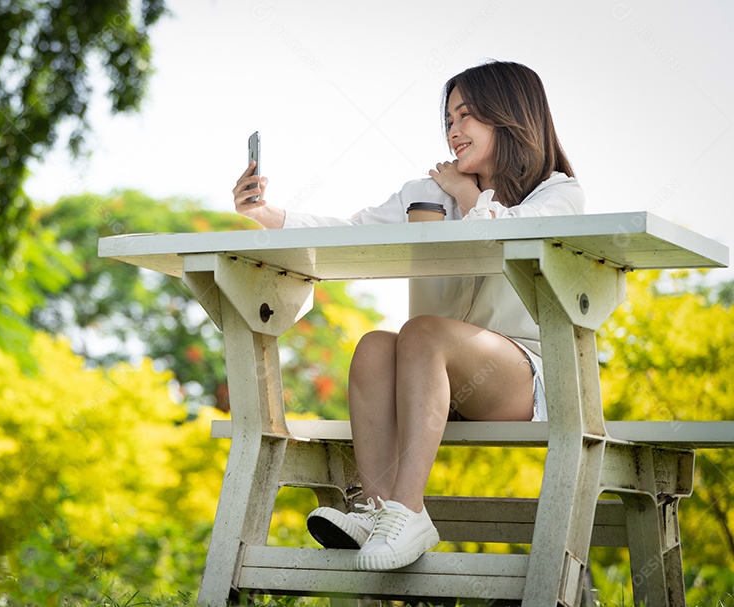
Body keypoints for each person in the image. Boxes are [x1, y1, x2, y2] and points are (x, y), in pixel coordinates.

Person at [230, 60, 583, 571]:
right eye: (448, 121)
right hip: (430, 378)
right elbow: (349, 230)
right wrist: (266, 215)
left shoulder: (559, 194)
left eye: (467, 117)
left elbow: (505, 234)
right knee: (375, 343)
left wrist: (467, 196)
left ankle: (409, 510)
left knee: (421, 333)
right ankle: (377, 512)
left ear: (510, 117)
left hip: (520, 380)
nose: (454, 132)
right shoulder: (427, 191)